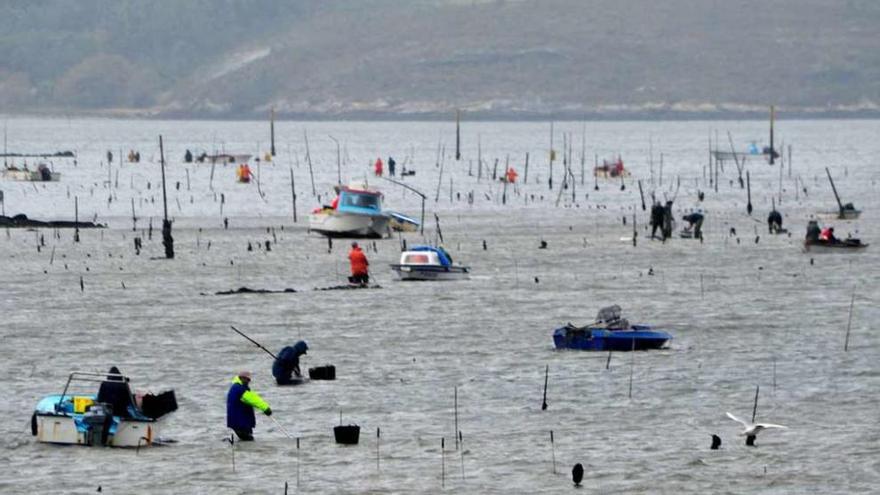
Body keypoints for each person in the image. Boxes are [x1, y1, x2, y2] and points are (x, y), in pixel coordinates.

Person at [226, 371, 272, 441]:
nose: (248, 381)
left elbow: (253, 397)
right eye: (246, 379)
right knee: (248, 440)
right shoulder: (240, 389)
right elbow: (254, 400)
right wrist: (265, 408)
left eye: (249, 380)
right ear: (241, 378)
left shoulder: (236, 387)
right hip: (241, 423)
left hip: (236, 422)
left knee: (245, 443)